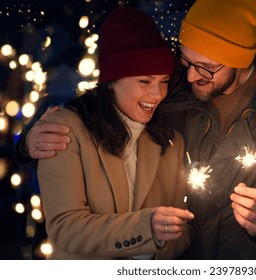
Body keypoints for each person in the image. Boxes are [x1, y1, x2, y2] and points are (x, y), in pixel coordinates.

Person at [16, 0, 256, 259]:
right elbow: (109, 98)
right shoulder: (172, 83)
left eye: (205, 67)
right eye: (186, 60)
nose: (189, 77)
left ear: (241, 60)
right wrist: (29, 143)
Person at [23, 6, 194, 260]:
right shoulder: (66, 130)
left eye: (164, 81)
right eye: (145, 81)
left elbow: (184, 230)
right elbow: (65, 228)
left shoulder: (171, 141)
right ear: (113, 80)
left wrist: (154, 250)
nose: (157, 94)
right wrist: (145, 229)